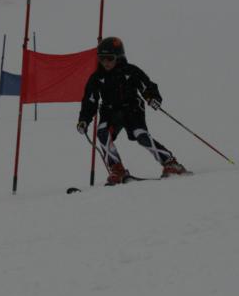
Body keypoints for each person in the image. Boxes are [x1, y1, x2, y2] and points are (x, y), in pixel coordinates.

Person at [76, 37, 190, 185]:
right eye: (102, 58)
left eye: (110, 58)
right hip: (109, 111)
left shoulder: (130, 71)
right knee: (103, 132)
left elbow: (147, 86)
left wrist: (152, 97)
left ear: (119, 57)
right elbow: (89, 101)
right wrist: (84, 120)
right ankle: (117, 170)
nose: (106, 62)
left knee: (140, 135)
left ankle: (171, 163)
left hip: (132, 108)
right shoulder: (97, 77)